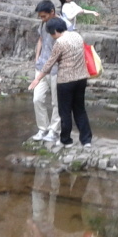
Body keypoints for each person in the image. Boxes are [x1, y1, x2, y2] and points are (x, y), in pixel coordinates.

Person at [27, 17, 91, 151]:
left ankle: (66, 141)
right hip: (81, 79)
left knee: (65, 112)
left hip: (66, 81)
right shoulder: (77, 36)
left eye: (51, 33)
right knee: (80, 110)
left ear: (55, 31)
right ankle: (86, 140)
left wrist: (37, 79)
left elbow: (49, 63)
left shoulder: (60, 43)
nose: (52, 36)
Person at [29, 0, 61, 143]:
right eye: (40, 17)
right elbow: (41, 40)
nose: (42, 19)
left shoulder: (62, 25)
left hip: (56, 70)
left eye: (44, 16)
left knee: (56, 102)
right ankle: (43, 128)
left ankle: (54, 131)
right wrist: (37, 57)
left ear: (52, 12)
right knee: (37, 99)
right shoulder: (42, 24)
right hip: (41, 67)